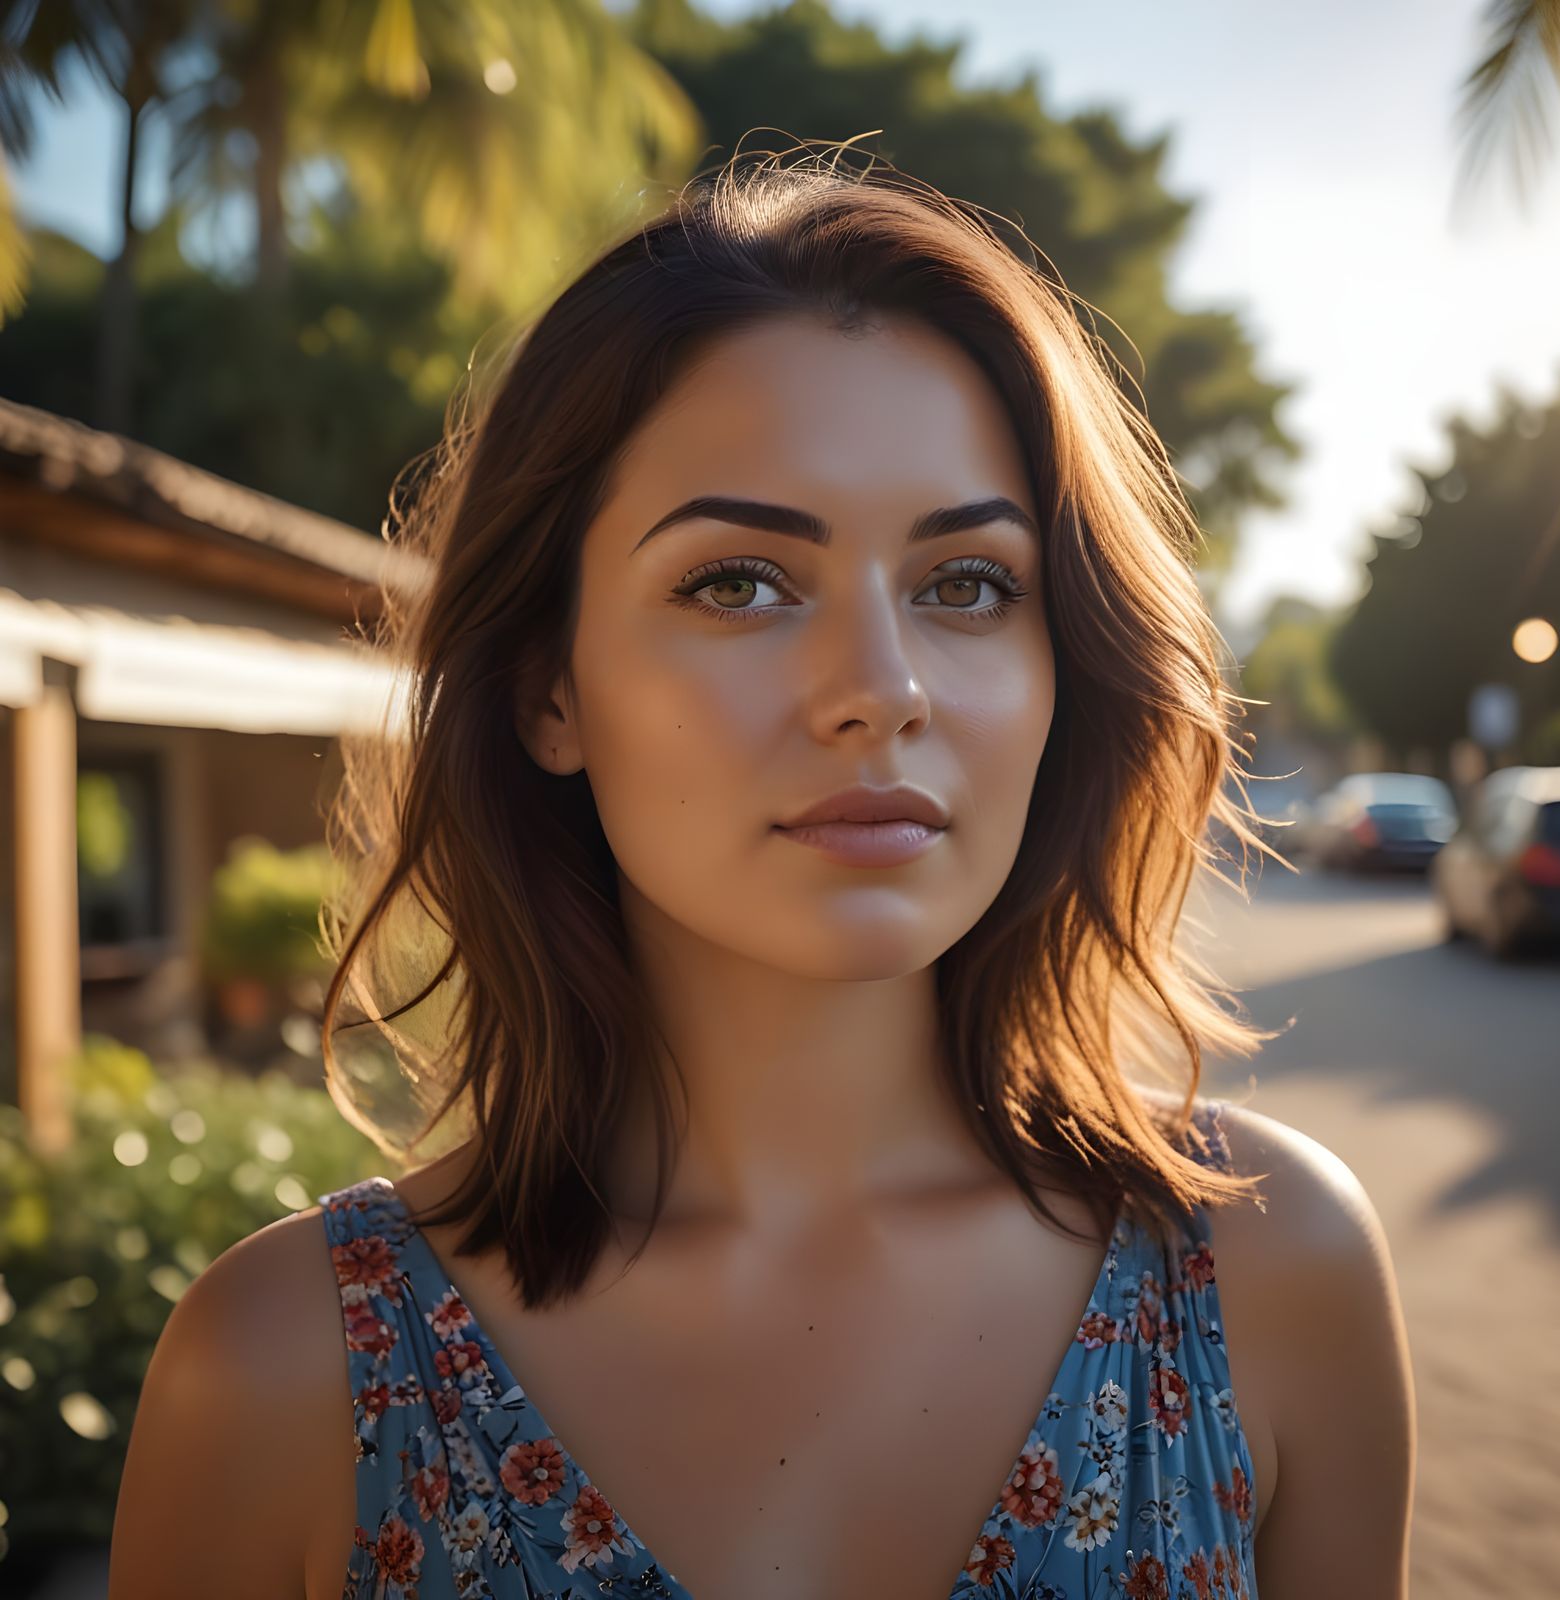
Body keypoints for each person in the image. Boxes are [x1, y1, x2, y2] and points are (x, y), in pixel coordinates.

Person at [109, 145, 1415, 1600]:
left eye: (967, 584)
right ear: (550, 688)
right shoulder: (283, 1370)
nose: (881, 688)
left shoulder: (1266, 1274)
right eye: (738, 582)